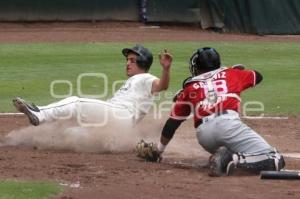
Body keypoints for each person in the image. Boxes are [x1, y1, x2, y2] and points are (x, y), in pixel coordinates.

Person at [153, 47, 285, 176]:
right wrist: (235, 71)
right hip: (228, 126)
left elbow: (171, 124)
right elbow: (258, 76)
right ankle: (230, 161)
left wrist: (158, 151)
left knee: (233, 149)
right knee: (275, 158)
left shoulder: (189, 87)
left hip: (204, 135)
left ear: (197, 67)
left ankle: (227, 155)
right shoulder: (232, 73)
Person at [13, 44, 172, 127]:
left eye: (132, 60)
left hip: (121, 116)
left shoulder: (147, 78)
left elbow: (162, 86)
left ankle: (41, 114)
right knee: (73, 127)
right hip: (117, 122)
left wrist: (166, 69)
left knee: (76, 103)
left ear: (143, 62)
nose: (127, 64)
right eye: (127, 60)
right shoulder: (134, 81)